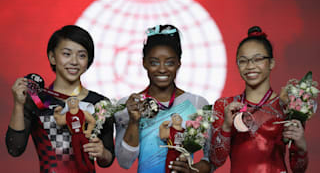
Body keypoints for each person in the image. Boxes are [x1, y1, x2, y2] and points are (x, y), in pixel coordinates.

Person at [6, 25, 114, 173]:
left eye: (82, 55)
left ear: (89, 60)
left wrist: (103, 153)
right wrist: (18, 104)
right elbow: (15, 149)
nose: (74, 61)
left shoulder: (100, 104)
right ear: (52, 57)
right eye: (67, 54)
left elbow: (107, 160)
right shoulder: (36, 101)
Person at [114, 24, 213, 173]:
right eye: (154, 62)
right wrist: (134, 121)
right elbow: (125, 162)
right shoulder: (129, 105)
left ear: (179, 63)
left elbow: (211, 159)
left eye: (169, 62)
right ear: (144, 62)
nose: (161, 69)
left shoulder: (197, 104)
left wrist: (194, 170)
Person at [210, 26, 308, 173]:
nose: (250, 66)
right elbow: (216, 160)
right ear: (237, 65)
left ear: (272, 63)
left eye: (258, 59)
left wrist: (301, 147)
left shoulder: (289, 106)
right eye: (243, 61)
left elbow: (298, 169)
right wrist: (226, 127)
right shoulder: (224, 105)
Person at [54, 97, 96, 172]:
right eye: (70, 100)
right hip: (74, 136)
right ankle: (80, 167)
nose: (72, 101)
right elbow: (59, 122)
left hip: (82, 134)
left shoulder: (83, 112)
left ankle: (89, 165)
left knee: (86, 151)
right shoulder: (66, 115)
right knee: (77, 153)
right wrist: (57, 114)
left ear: (78, 102)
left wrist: (89, 131)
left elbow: (92, 121)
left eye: (74, 100)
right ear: (68, 104)